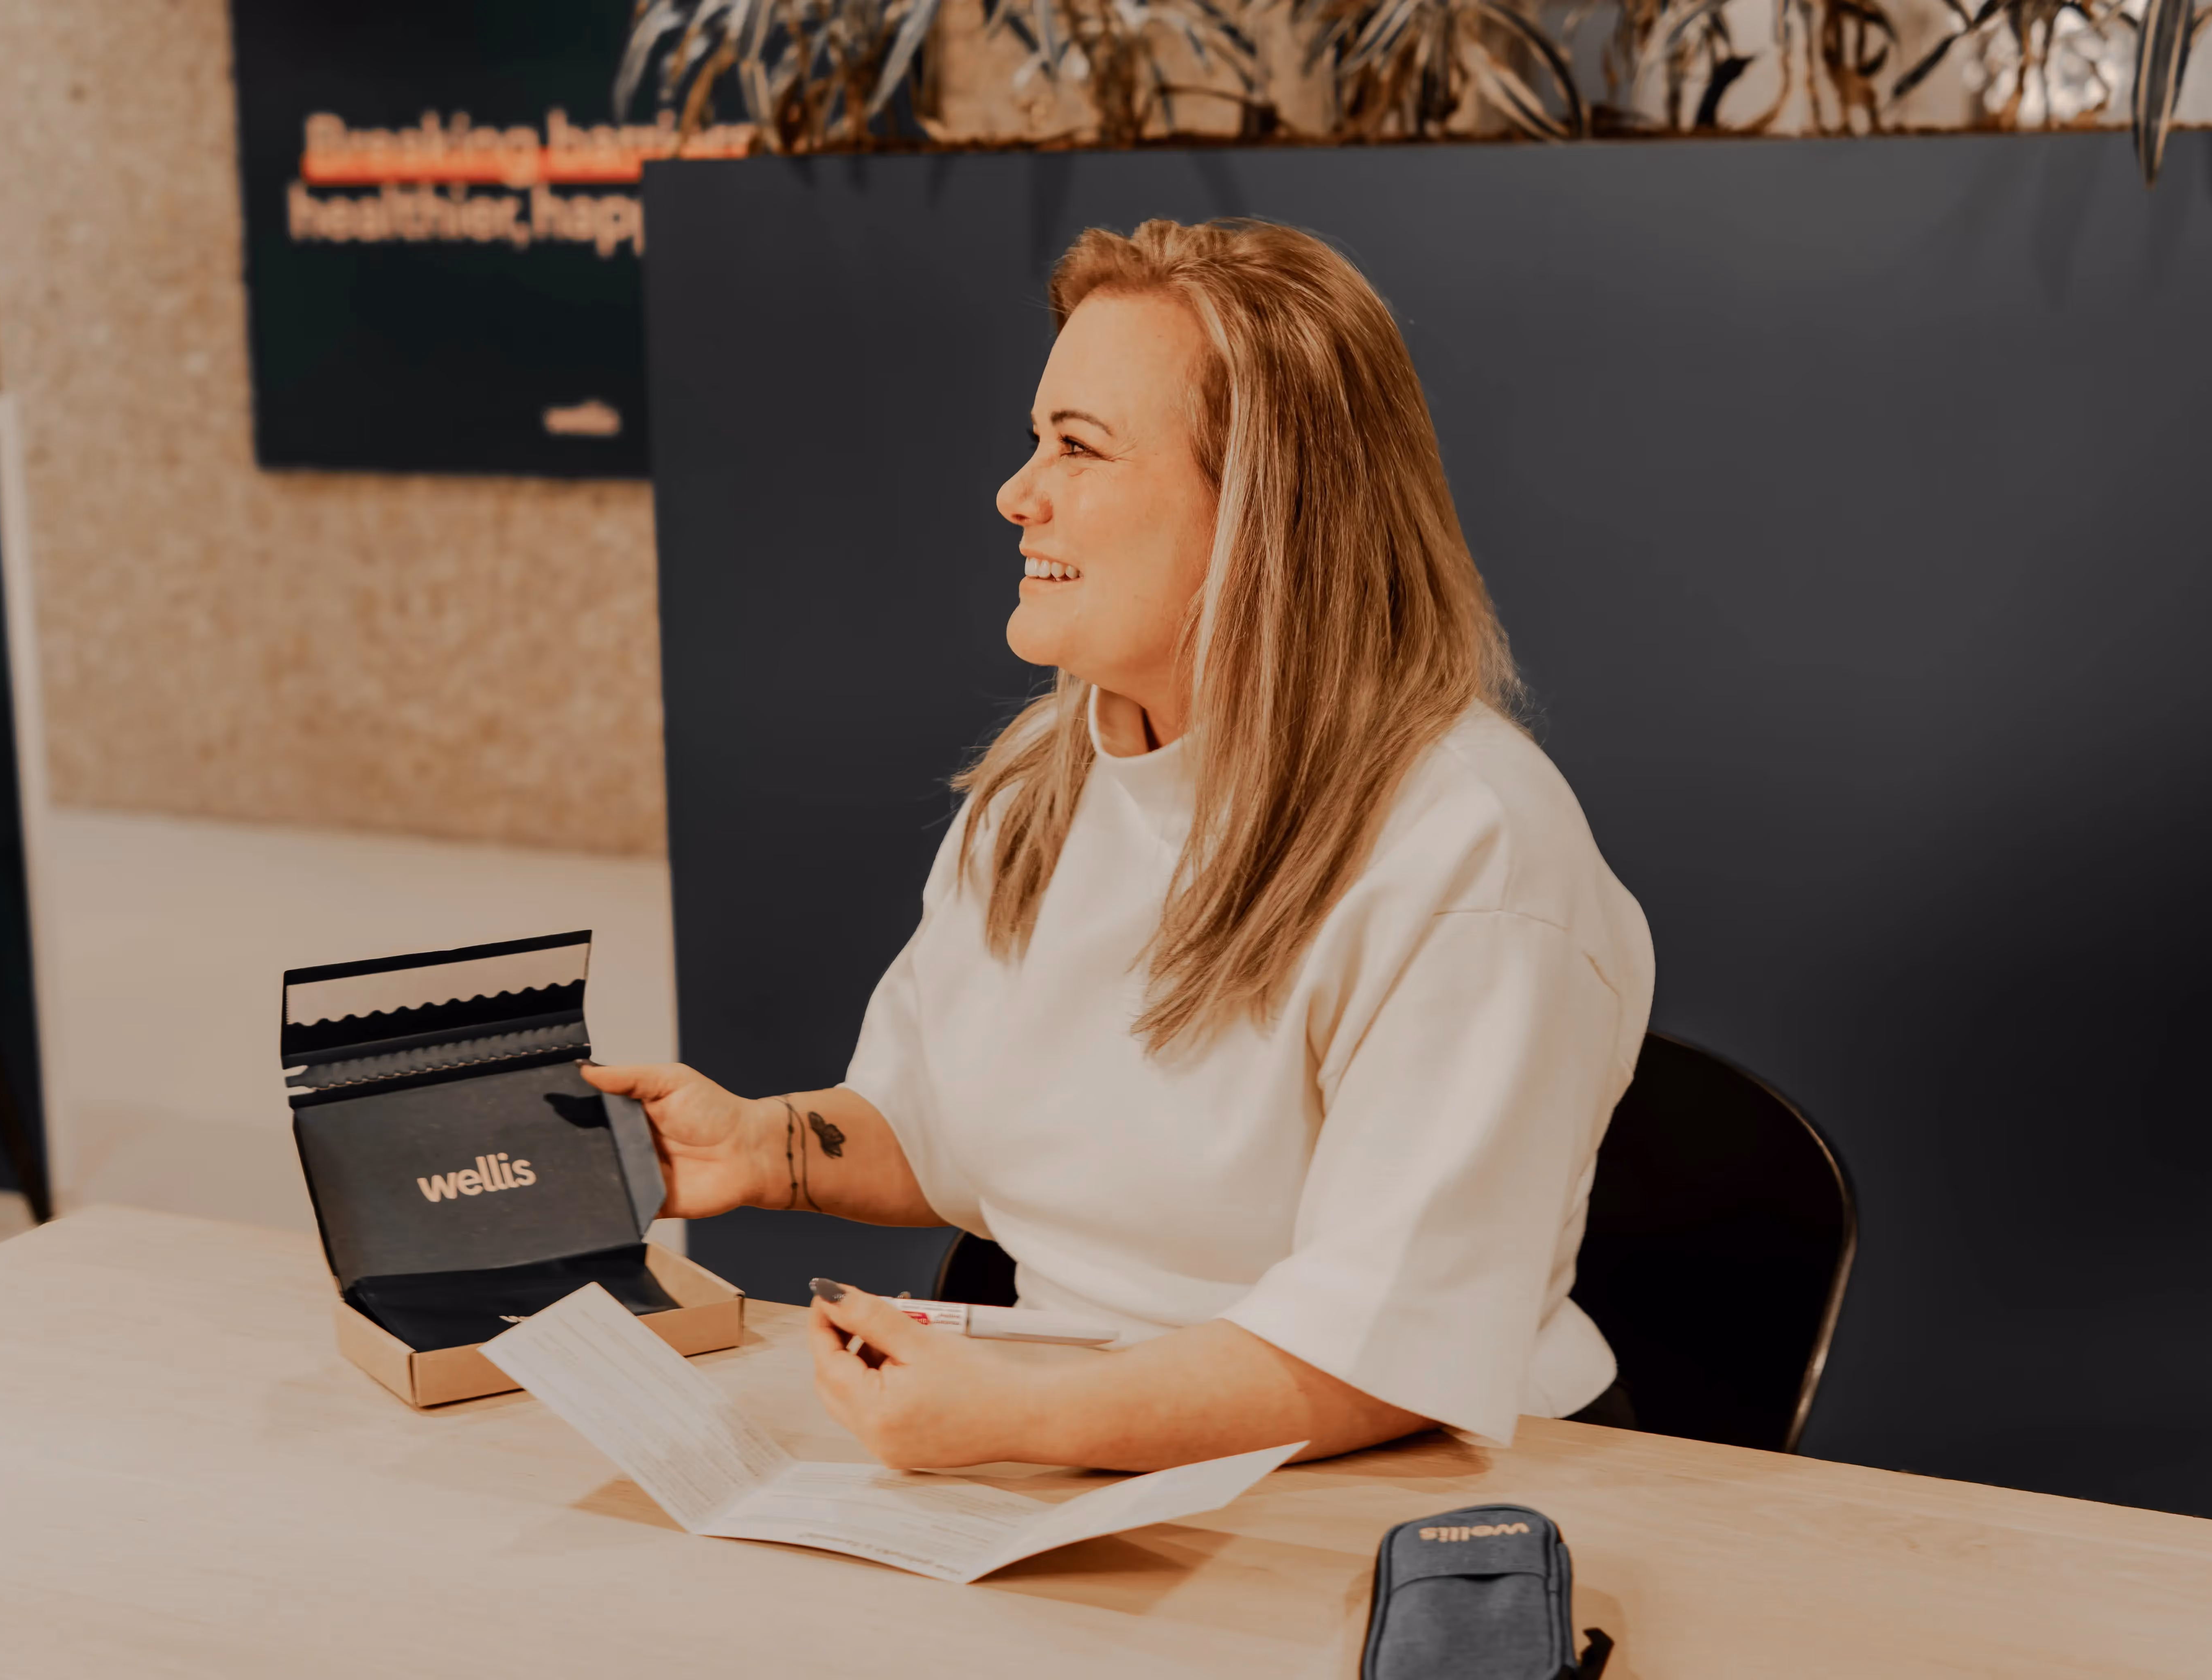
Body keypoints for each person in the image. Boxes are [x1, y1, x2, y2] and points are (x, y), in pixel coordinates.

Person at [586, 217, 1653, 1473]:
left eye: (1078, 448)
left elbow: (1381, 1346)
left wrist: (1020, 1421)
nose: (1017, 493)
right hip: (1096, 1452)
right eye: (1037, 440)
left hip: (1415, 1484)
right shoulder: (1041, 784)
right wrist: (756, 1147)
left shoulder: (1474, 848)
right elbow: (940, 1133)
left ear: (1263, 509)